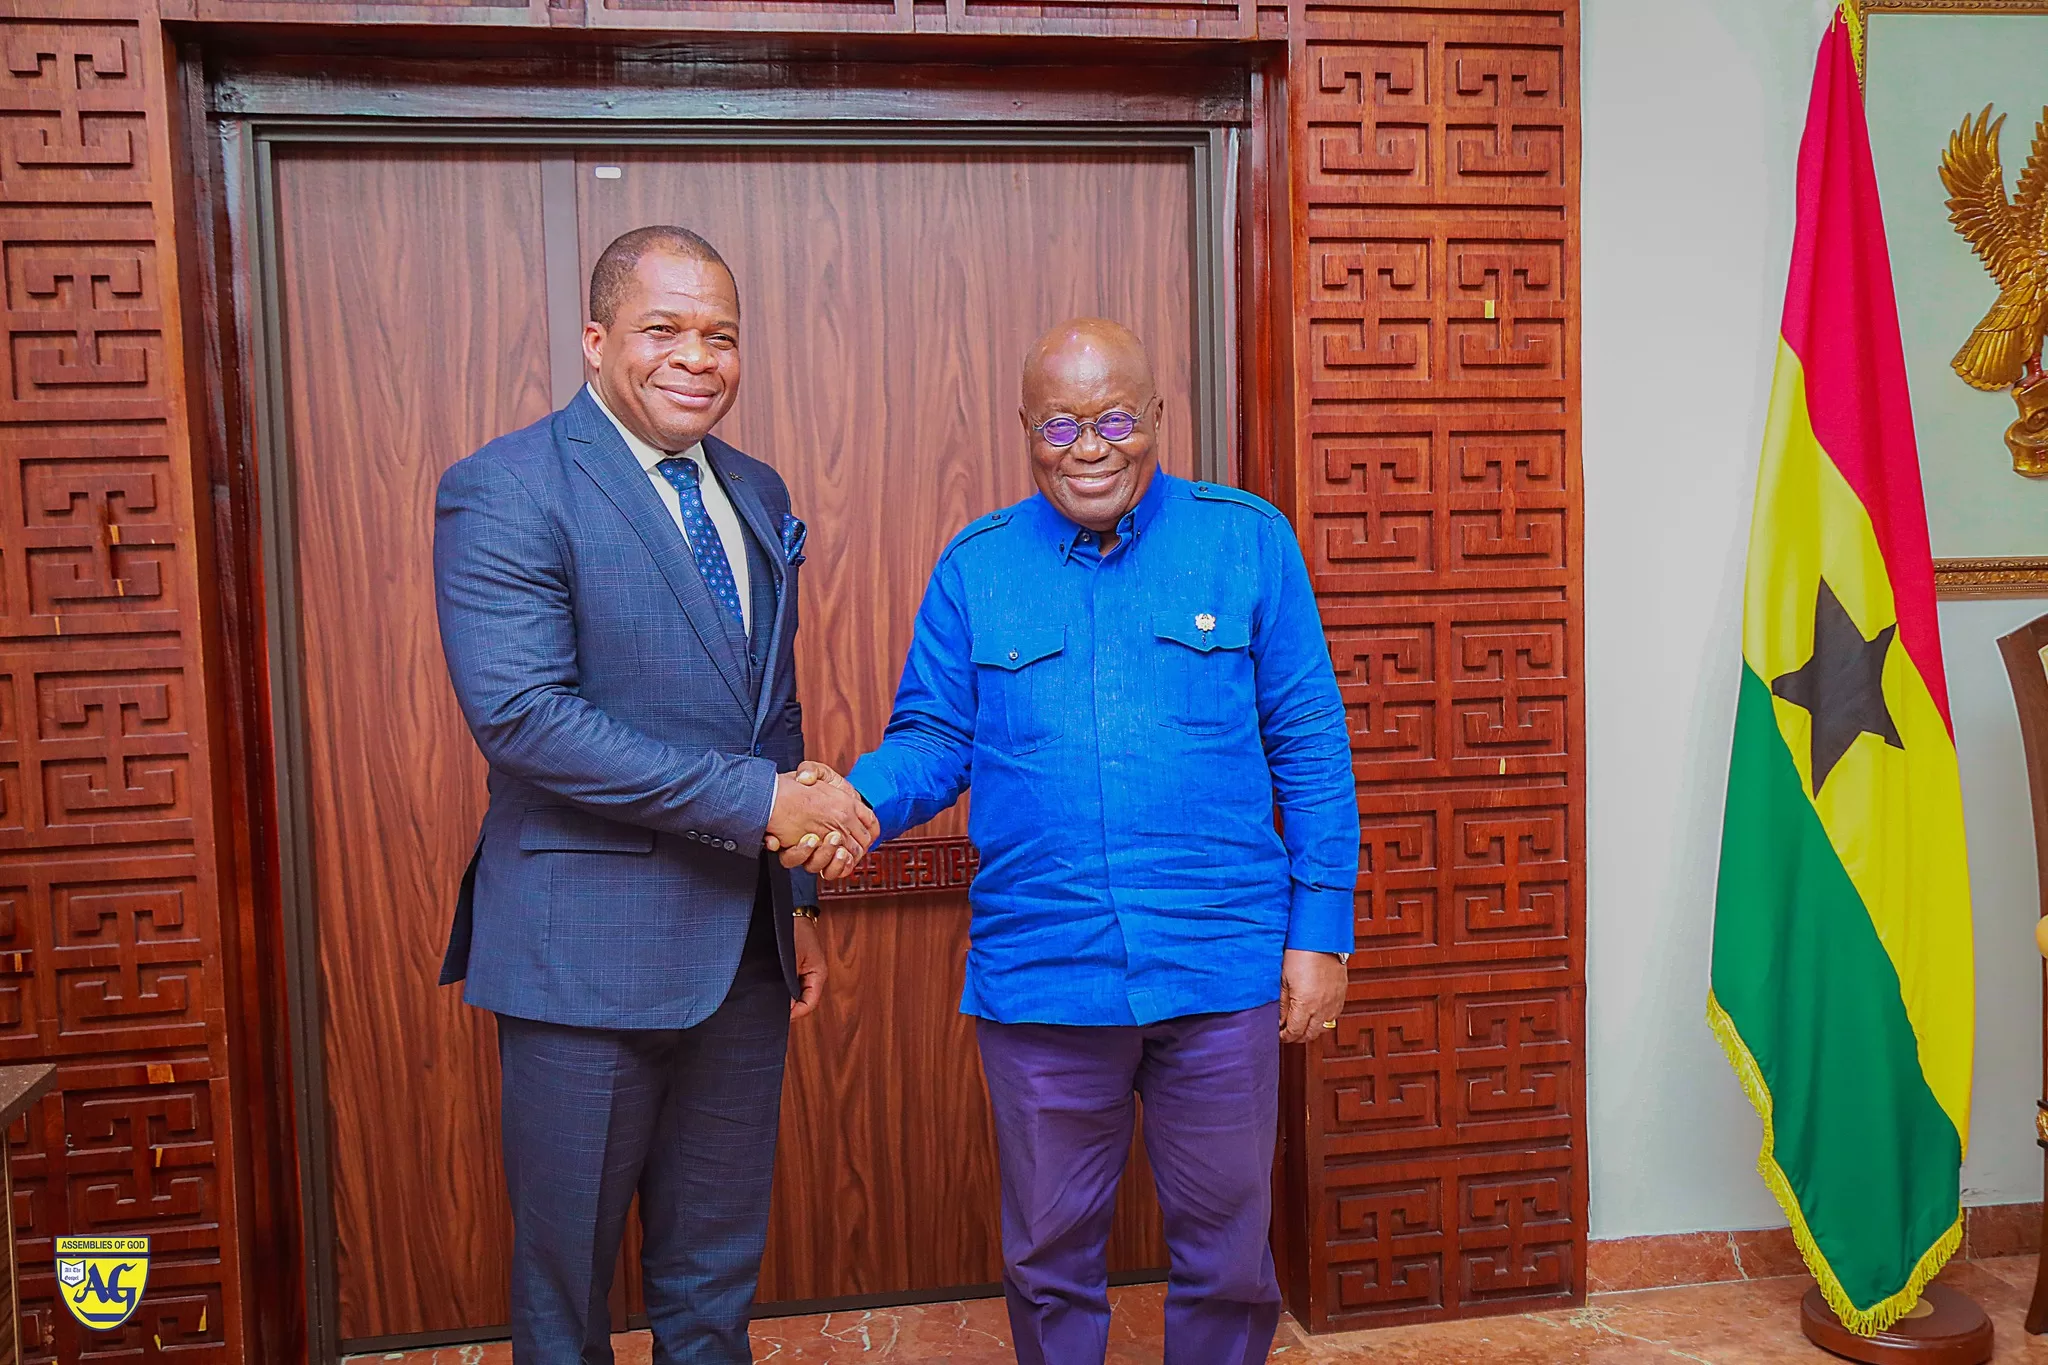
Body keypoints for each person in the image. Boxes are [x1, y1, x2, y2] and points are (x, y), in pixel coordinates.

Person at [843, 318, 1359, 1364]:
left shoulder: (1245, 540)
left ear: (1156, 418)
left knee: (1229, 1258)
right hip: (1044, 973)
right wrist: (848, 805)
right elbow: (932, 739)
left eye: (1116, 420)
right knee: (1047, 1259)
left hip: (1217, 967)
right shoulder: (977, 566)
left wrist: (1320, 930)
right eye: (1060, 425)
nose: (1089, 447)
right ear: (1025, 428)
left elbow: (1309, 741)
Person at [432, 225, 876, 1364]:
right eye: (664, 329)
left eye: (720, 335)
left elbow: (766, 715)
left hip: (741, 955)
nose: (697, 357)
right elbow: (524, 717)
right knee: (565, 1289)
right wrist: (760, 804)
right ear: (596, 341)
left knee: (713, 1277)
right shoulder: (506, 487)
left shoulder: (755, 488)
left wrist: (795, 903)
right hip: (582, 957)